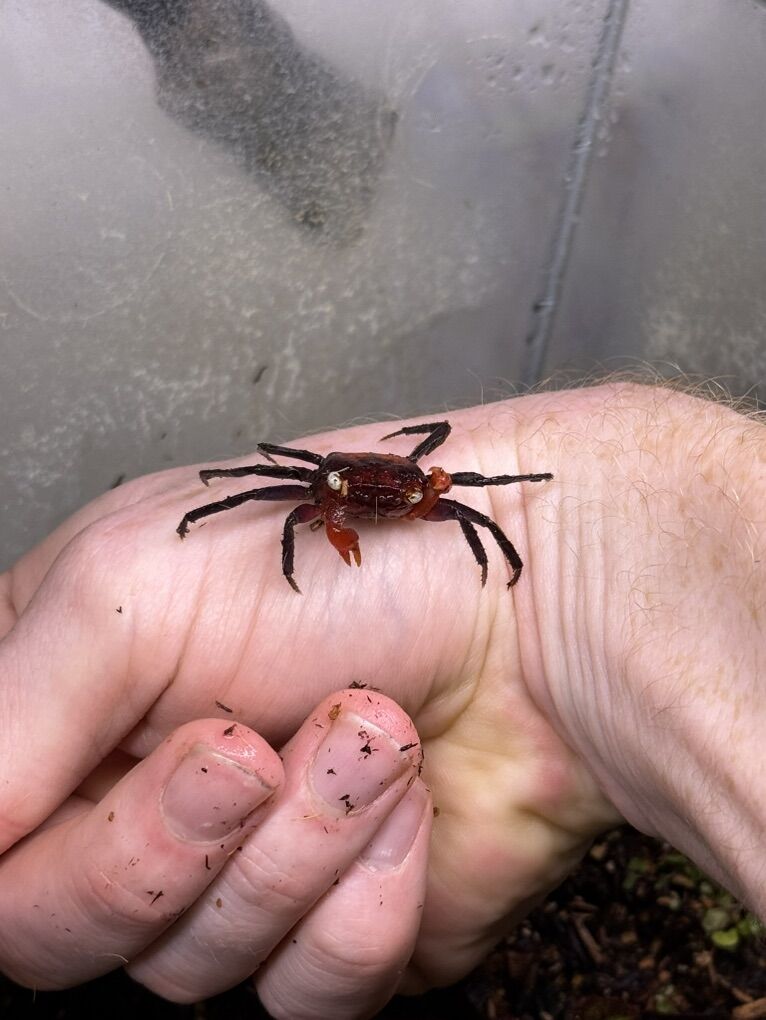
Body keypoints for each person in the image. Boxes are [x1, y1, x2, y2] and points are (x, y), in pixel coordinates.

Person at [0, 381, 762, 1019]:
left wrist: (537, 554)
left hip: (439, 524)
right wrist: (209, 503)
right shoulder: (316, 488)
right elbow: (270, 477)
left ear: (416, 475)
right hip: (339, 493)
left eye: (396, 493)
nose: (377, 506)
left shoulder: (424, 486)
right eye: (359, 496)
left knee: (479, 512)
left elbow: (477, 494)